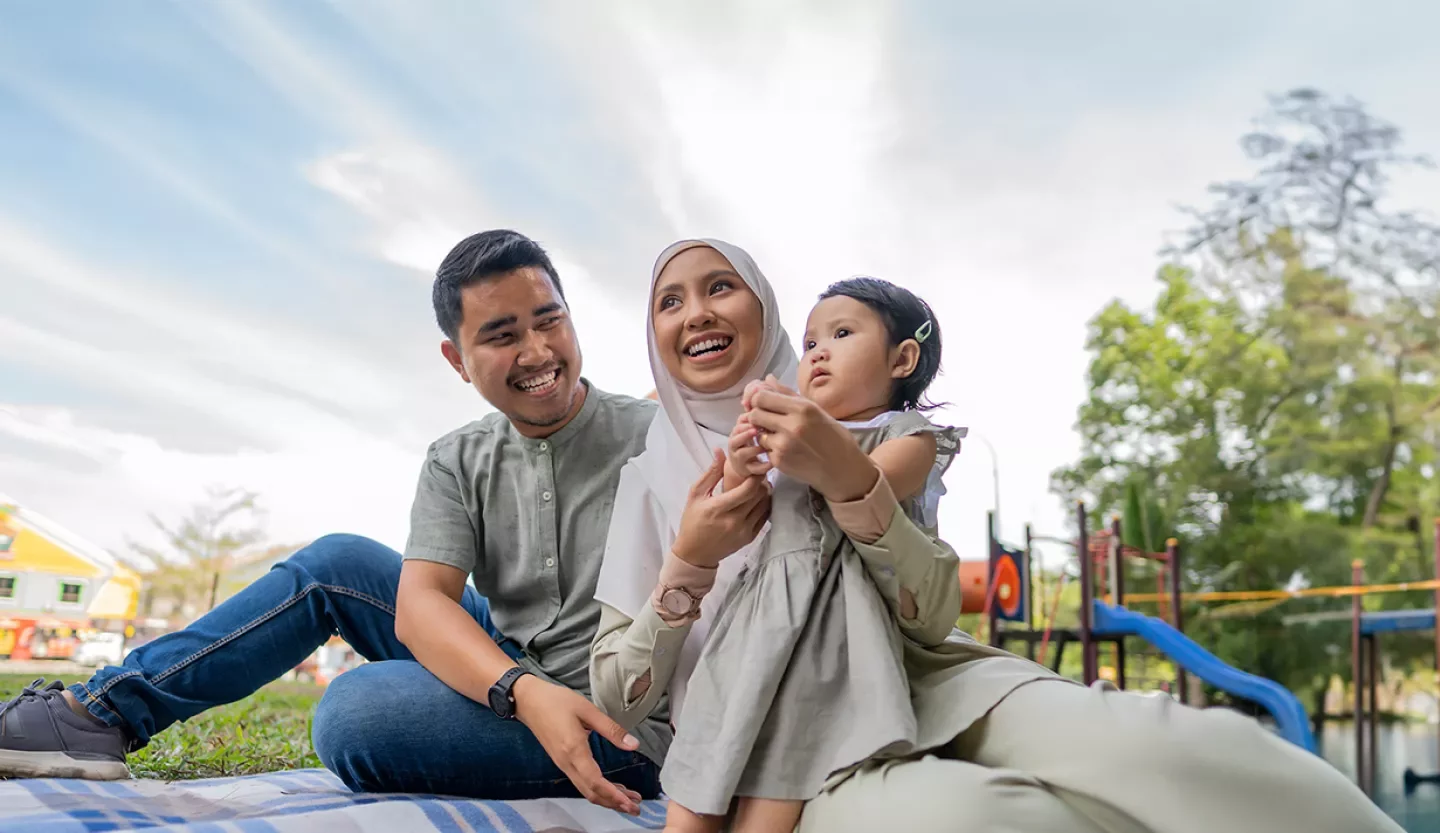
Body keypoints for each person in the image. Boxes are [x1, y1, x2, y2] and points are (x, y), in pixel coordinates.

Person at [590, 238, 1404, 833]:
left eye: (720, 286)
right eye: (670, 300)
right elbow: (616, 692)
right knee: (990, 819)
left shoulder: (867, 427)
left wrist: (844, 474)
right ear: (655, 337)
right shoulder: (651, 479)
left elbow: (933, 610)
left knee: (1187, 751)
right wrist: (688, 563)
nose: (696, 311)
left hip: (932, 673)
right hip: (777, 735)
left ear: (761, 307)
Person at [0, 229, 772, 815]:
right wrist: (518, 688)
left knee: (355, 714)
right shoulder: (456, 457)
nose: (537, 351)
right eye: (502, 336)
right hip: (514, 669)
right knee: (338, 560)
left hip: (621, 715)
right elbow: (421, 604)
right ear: (456, 358)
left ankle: (518, 708)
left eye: (550, 320)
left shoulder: (657, 434)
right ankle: (97, 716)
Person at [660, 275, 963, 833]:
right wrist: (742, 460)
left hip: (830, 631)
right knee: (704, 765)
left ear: (903, 359)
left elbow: (870, 482)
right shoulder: (789, 433)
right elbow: (747, 507)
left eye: (842, 333)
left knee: (783, 769)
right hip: (755, 620)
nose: (819, 351)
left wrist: (808, 443)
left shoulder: (906, 434)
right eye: (809, 342)